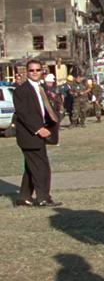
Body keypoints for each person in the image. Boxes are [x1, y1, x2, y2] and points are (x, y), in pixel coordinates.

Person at [13, 60, 61, 207]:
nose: (35, 73)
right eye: (32, 70)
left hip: (41, 134)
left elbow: (45, 110)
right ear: (26, 72)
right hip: (29, 135)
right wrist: (38, 128)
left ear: (42, 71)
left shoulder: (42, 89)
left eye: (38, 70)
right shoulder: (21, 90)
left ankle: (24, 197)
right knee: (41, 167)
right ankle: (43, 198)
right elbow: (23, 114)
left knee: (32, 167)